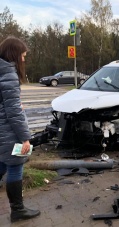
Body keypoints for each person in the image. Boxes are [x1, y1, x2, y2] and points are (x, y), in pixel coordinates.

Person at [0, 36, 40, 222]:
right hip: (8, 132)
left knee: (1, 164)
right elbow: (13, 113)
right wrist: (25, 138)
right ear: (14, 55)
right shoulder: (8, 74)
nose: (23, 60)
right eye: (22, 56)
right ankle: (17, 210)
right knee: (15, 166)